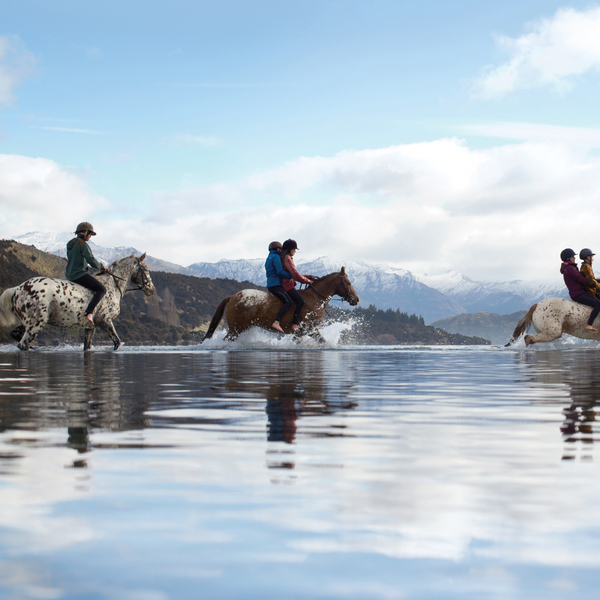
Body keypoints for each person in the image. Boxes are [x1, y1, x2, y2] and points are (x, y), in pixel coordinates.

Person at [66, 222, 107, 324]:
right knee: (101, 289)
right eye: (90, 234)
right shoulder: (83, 244)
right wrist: (101, 267)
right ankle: (89, 312)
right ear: (85, 233)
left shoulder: (70, 244)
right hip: (79, 274)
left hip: (69, 275)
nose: (90, 236)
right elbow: (91, 260)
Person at [560, 248, 600, 332]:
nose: (574, 258)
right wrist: (593, 283)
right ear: (568, 258)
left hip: (579, 292)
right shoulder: (571, 268)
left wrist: (595, 281)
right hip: (578, 293)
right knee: (597, 304)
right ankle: (589, 324)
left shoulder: (570, 268)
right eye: (572, 257)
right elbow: (580, 279)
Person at [280, 239, 315, 332]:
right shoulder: (287, 258)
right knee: (301, 301)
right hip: (288, 286)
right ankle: (294, 324)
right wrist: (308, 281)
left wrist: (307, 276)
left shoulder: (286, 258)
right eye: (294, 249)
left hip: (288, 284)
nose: (295, 252)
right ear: (289, 249)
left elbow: (293, 275)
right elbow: (295, 275)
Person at [265, 240, 293, 333]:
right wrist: (291, 275)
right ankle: (277, 322)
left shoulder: (269, 257)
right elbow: (280, 272)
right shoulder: (276, 257)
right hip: (276, 285)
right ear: (278, 249)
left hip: (270, 284)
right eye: (280, 249)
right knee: (289, 301)